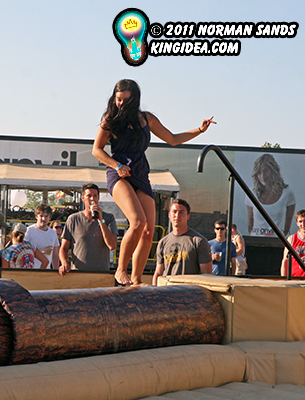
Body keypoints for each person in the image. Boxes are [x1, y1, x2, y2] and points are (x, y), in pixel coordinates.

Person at [92, 79, 215, 286]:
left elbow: (172, 139)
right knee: (137, 222)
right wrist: (117, 165)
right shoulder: (110, 119)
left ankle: (136, 280)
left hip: (140, 172)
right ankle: (120, 270)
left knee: (148, 230)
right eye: (118, 99)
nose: (120, 103)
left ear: (135, 100)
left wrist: (199, 130)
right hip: (119, 173)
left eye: (125, 100)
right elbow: (97, 150)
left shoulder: (146, 119)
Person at [58, 183, 118, 276]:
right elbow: (64, 248)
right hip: (78, 273)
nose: (92, 199)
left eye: (95, 196)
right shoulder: (73, 219)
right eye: (89, 196)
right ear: (83, 198)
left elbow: (112, 245)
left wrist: (101, 220)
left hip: (101, 274)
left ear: (98, 198)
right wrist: (64, 263)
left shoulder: (108, 218)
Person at [152, 199, 212, 285]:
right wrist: (154, 291)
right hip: (167, 290)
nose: (177, 215)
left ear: (188, 216)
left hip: (189, 291)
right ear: (169, 215)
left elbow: (207, 276)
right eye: (174, 212)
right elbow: (158, 273)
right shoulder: (162, 243)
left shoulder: (199, 241)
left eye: (181, 212)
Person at [246, 154, 296, 237]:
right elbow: (250, 223)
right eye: (259, 172)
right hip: (256, 240)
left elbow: (287, 226)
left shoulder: (287, 192)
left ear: (274, 170)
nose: (262, 176)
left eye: (266, 171)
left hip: (277, 241)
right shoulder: (251, 192)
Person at [25, 204, 60, 269]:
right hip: (31, 271)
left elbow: (55, 255)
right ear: (36, 217)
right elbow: (22, 252)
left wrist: (56, 271)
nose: (44, 219)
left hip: (46, 271)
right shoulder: (29, 231)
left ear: (50, 218)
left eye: (46, 216)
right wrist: (39, 253)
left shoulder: (53, 233)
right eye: (41, 216)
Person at [281, 210, 305, 277]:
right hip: (295, 279)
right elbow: (285, 260)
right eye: (300, 221)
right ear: (297, 223)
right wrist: (283, 279)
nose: (303, 224)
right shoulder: (291, 239)